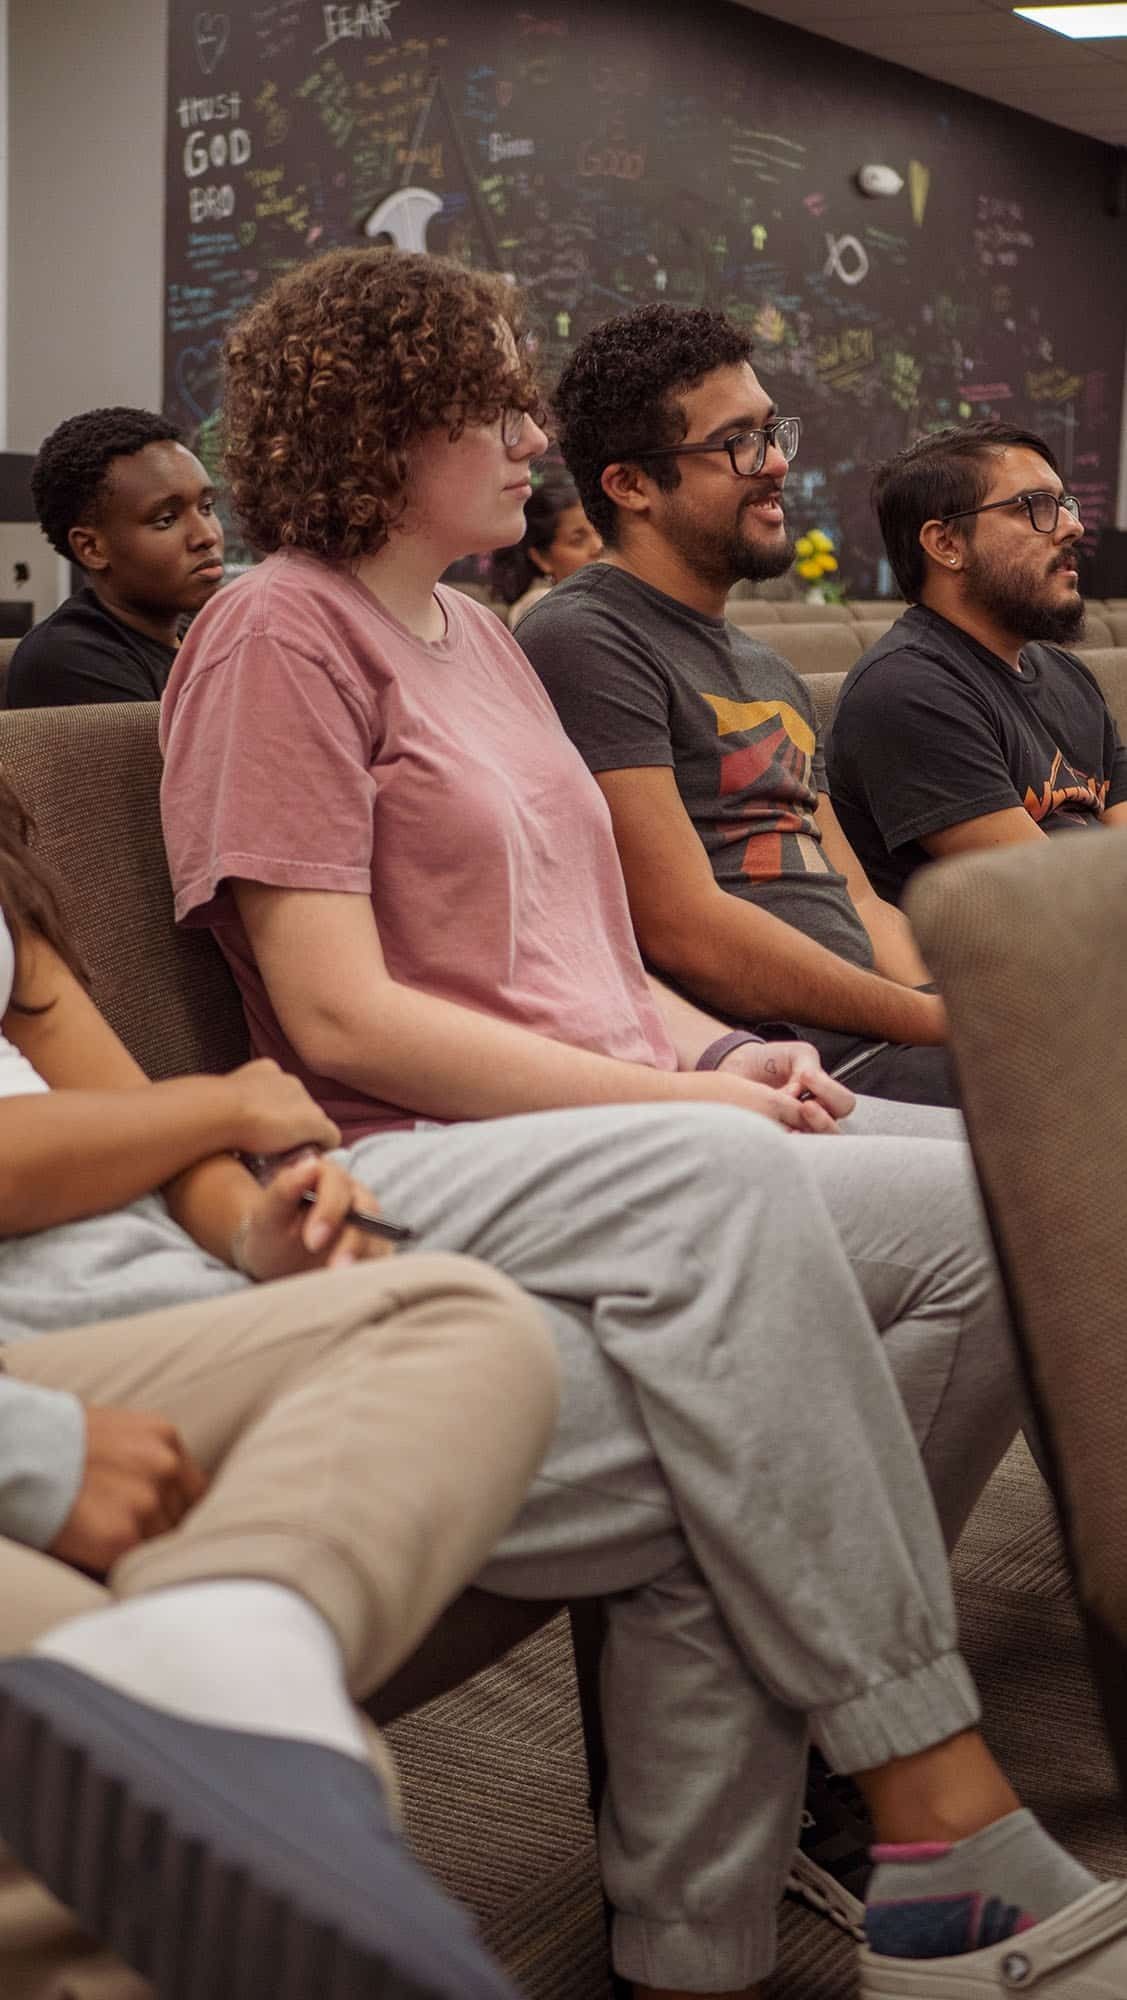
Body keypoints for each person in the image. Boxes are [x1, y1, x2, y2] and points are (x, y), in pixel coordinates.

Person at [157, 247, 1127, 2000]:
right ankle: (908, 1768)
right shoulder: (271, 630)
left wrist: (709, 1053)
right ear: (387, 427)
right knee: (754, 1186)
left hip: (618, 1126)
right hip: (406, 1158)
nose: (531, 431)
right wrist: (675, 1096)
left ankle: (715, 1913)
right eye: (497, 403)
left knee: (1010, 1213)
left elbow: (599, 956)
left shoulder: (477, 638)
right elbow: (333, 1012)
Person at [0, 763, 560, 2000]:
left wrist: (257, 1233)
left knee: (461, 1315)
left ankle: (228, 1638)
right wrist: (29, 1450)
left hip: (137, 1303)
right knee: (250, 1790)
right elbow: (185, 1112)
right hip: (28, 1359)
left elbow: (142, 1117)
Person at [518, 304, 955, 1109]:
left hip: (880, 1039)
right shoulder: (584, 637)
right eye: (737, 443)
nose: (776, 465)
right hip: (788, 1066)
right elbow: (685, 928)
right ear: (630, 485)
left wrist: (953, 1005)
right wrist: (931, 1021)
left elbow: (854, 896)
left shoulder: (766, 668)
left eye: (771, 432)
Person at [825, 420, 1127, 903]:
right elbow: (1052, 897)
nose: (1074, 526)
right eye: (1036, 507)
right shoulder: (906, 691)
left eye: (1064, 504)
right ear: (947, 544)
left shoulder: (1067, 675)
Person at [6, 408, 225, 709]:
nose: (206, 536)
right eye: (166, 520)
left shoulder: (200, 635)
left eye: (206, 507)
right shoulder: (68, 661)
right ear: (93, 548)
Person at [490, 469, 602, 629]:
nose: (598, 546)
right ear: (541, 558)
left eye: (600, 531)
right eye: (578, 541)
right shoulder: (543, 608)